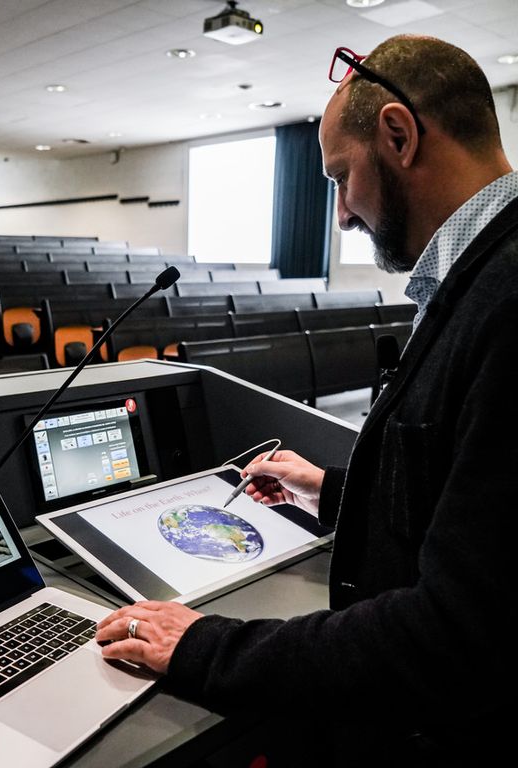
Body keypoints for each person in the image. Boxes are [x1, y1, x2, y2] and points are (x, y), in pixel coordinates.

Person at [96, 34, 518, 767]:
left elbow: (457, 633)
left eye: (339, 177)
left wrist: (207, 645)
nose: (344, 214)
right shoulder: (483, 274)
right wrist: (335, 493)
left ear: (398, 134)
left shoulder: (507, 300)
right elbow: (475, 497)